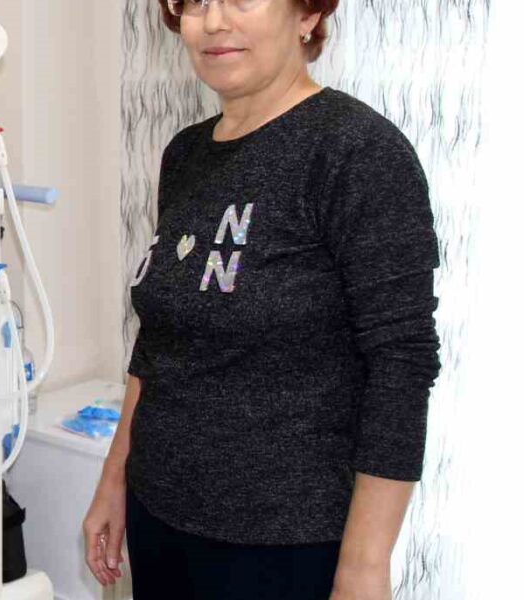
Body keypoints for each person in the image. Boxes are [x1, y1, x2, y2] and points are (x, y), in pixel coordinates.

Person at [82, 0, 441, 598]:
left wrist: (364, 565)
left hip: (285, 545)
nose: (213, 22)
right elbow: (160, 341)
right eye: (195, 2)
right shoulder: (186, 154)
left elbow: (402, 364)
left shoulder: (356, 151)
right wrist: (114, 477)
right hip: (159, 516)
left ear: (307, 16)